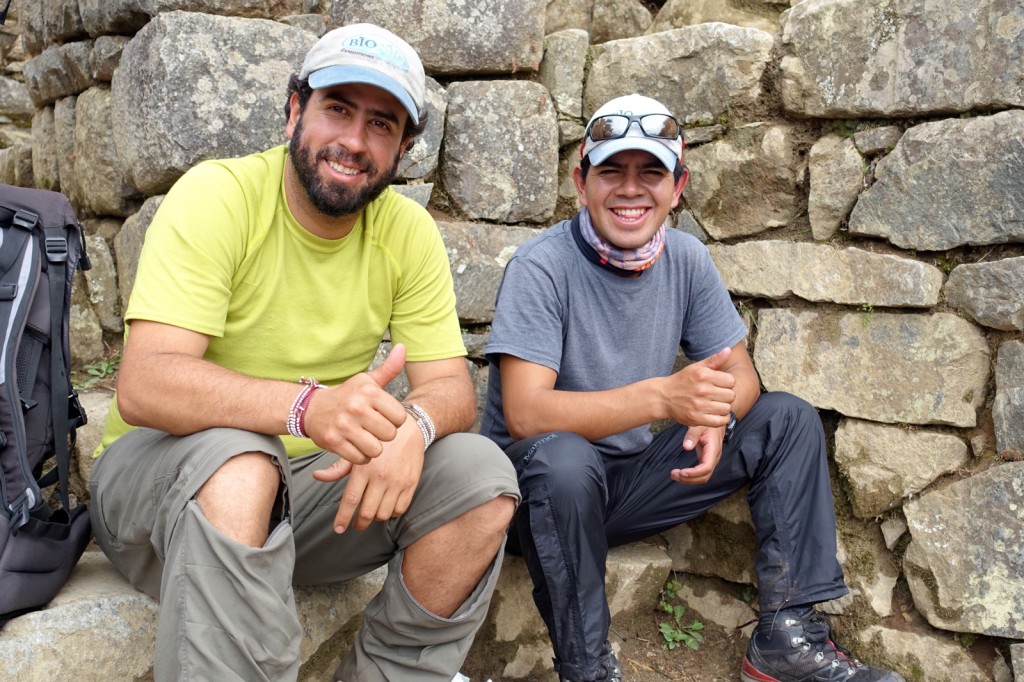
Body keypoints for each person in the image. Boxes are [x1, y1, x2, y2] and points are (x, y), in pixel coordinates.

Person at [89, 23, 519, 682]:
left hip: (309, 494)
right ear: (295, 110)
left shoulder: (407, 232)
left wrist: (415, 426)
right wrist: (306, 408)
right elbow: (145, 384)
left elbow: (452, 390)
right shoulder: (219, 195)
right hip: (163, 486)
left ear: (404, 150)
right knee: (242, 464)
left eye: (381, 124)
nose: (354, 141)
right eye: (337, 109)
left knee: (482, 479)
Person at [481, 94, 906, 682]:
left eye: (651, 173)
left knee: (785, 418)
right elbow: (527, 415)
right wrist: (662, 398)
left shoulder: (686, 259)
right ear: (581, 183)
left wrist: (715, 415)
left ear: (677, 187)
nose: (631, 189)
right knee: (564, 459)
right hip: (537, 500)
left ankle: (786, 637)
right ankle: (587, 669)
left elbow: (742, 376)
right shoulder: (541, 267)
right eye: (611, 171)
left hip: (626, 486)